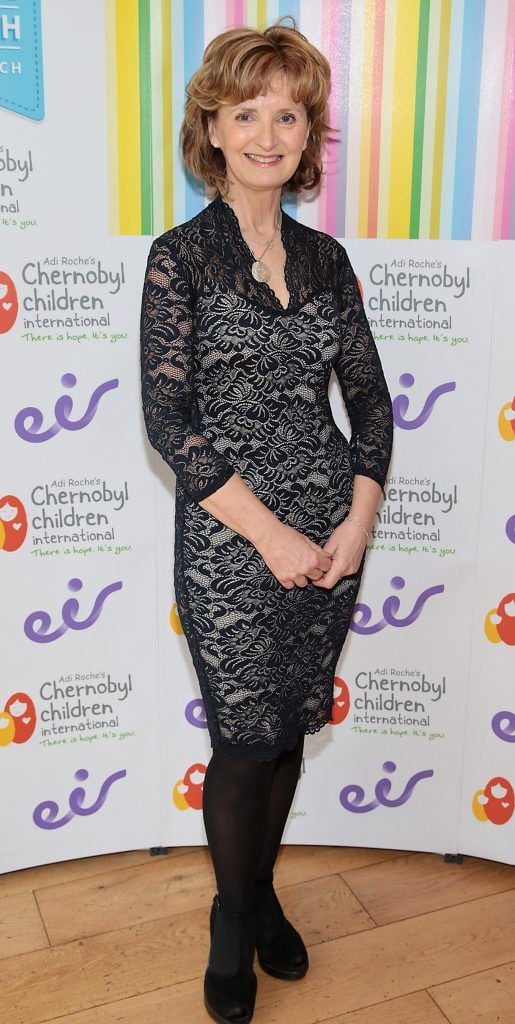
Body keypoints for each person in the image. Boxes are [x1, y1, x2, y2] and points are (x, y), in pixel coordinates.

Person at [140, 19, 393, 1024]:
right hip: (230, 542)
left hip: (332, 533)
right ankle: (230, 921)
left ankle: (261, 886)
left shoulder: (326, 260)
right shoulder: (180, 260)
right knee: (245, 742)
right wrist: (270, 535)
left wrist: (359, 516)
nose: (266, 132)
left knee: (288, 728)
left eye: (285, 113)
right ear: (211, 124)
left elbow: (368, 401)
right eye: (246, 112)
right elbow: (170, 421)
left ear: (306, 132)